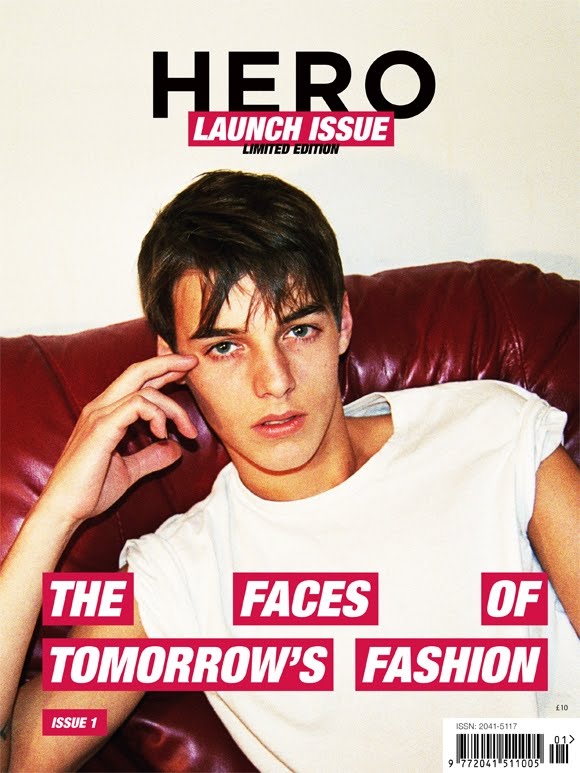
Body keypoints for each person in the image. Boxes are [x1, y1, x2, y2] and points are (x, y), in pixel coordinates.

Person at [1, 170, 578, 772]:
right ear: (171, 362)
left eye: (298, 330)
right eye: (225, 346)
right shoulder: (175, 574)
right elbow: (18, 760)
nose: (274, 381)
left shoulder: (490, 429)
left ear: (343, 325)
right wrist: (55, 513)